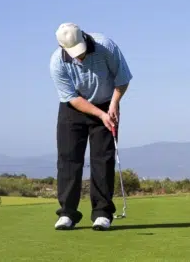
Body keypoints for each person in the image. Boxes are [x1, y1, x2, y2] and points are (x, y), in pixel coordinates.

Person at [49, 22, 133, 231]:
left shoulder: (106, 46)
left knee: (103, 160)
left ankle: (102, 213)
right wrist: (99, 114)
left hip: (107, 102)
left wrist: (113, 105)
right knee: (68, 160)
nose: (80, 57)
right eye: (74, 54)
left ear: (84, 38)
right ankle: (67, 214)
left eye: (81, 51)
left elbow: (122, 79)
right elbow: (72, 98)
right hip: (73, 108)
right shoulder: (57, 63)